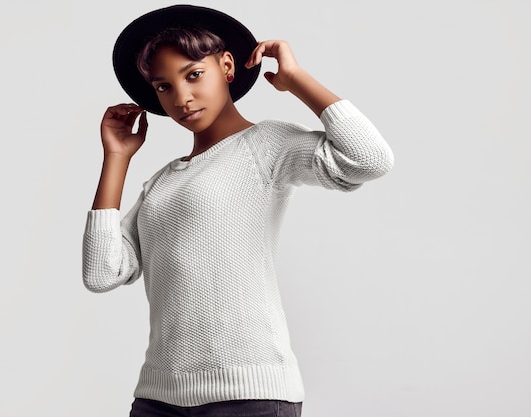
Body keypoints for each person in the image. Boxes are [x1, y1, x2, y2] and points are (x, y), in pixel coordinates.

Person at [82, 4, 394, 416]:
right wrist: (116, 158)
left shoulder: (265, 145)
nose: (182, 98)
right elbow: (103, 272)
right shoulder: (161, 183)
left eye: (194, 74)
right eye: (164, 87)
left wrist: (296, 80)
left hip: (248, 393)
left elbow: (370, 159)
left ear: (226, 65)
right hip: (159, 398)